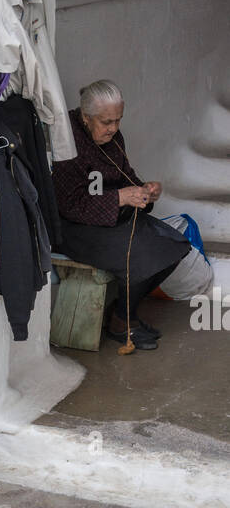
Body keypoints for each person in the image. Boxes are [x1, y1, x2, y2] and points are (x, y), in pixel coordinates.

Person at [52, 80, 190, 350]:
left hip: (111, 219)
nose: (114, 128)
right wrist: (119, 197)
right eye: (106, 122)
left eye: (118, 120)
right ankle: (124, 323)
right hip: (72, 228)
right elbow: (68, 204)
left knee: (174, 245)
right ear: (85, 117)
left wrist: (145, 191)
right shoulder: (65, 140)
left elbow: (126, 175)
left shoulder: (112, 137)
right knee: (141, 255)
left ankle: (121, 315)